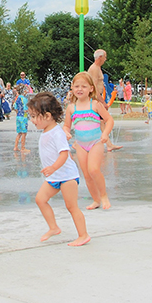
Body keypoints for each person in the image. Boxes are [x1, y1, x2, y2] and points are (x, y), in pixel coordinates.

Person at [28, 91, 90, 247]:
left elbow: (64, 154)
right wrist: (52, 170)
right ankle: (53, 227)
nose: (32, 120)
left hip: (67, 176)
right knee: (40, 200)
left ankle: (83, 235)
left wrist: (53, 167)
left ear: (47, 116)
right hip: (54, 176)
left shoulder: (57, 133)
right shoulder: (46, 131)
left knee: (71, 206)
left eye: (35, 116)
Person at [63, 72, 114, 211]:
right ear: (72, 88)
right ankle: (96, 200)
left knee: (93, 169)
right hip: (80, 145)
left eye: (84, 86)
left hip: (96, 142)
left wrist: (105, 134)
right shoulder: (71, 108)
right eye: (77, 86)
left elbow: (109, 120)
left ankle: (103, 196)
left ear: (91, 88)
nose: (80, 89)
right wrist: (66, 131)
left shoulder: (95, 105)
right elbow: (66, 125)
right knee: (86, 174)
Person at [87, 49, 122, 150]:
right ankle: (108, 145)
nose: (106, 59)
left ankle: (109, 145)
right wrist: (102, 102)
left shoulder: (98, 68)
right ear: (100, 57)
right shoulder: (94, 68)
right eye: (105, 57)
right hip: (95, 99)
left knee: (100, 122)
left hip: (96, 99)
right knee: (103, 120)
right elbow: (93, 86)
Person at [13, 84, 29, 152]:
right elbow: (25, 109)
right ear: (24, 91)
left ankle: (16, 147)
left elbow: (15, 107)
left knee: (19, 133)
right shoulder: (24, 99)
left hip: (18, 117)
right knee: (24, 133)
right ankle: (23, 148)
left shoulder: (17, 98)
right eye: (26, 90)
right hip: (23, 117)